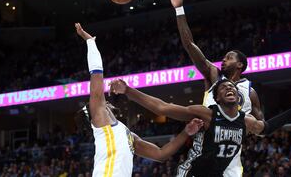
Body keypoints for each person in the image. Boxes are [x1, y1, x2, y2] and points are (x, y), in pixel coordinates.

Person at [109, 78, 291, 177]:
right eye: (224, 88)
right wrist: (129, 91)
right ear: (216, 98)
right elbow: (164, 107)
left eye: (233, 87)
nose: (230, 88)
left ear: (238, 96)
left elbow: (267, 127)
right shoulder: (206, 113)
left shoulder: (245, 121)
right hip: (191, 173)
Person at [75, 23, 204, 177]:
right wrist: (90, 42)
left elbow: (160, 154)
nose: (102, 101)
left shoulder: (126, 133)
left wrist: (186, 132)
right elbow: (96, 74)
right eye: (98, 103)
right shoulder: (100, 121)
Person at [168, 0, 263, 120]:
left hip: (234, 140)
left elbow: (262, 127)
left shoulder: (250, 92)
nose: (223, 60)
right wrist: (179, 9)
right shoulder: (214, 74)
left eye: (229, 57)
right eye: (224, 57)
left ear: (240, 65)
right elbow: (189, 44)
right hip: (208, 138)